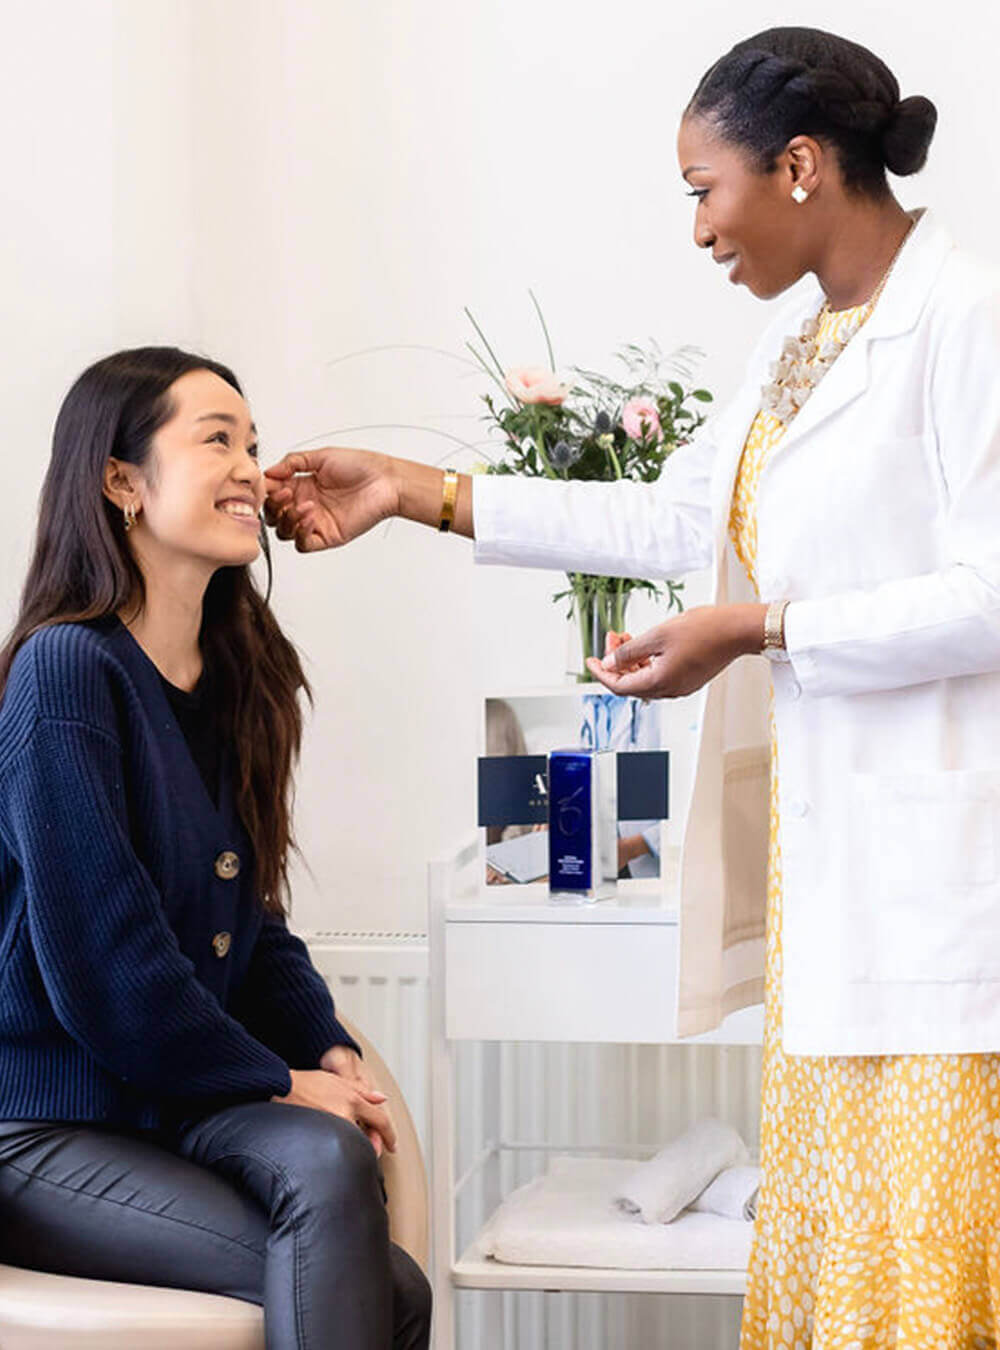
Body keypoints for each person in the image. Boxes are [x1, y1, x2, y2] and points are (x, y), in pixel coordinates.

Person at [263, 26, 1000, 1347]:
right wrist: (420, 494)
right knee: (846, 1264)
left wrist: (760, 627)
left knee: (924, 1265)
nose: (700, 228)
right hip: (842, 897)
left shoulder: (964, 318)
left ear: (799, 166)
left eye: (702, 189)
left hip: (942, 898)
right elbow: (671, 521)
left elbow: (991, 595)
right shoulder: (808, 347)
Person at [0, 348, 431, 1349]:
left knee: (342, 1191)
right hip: (45, 1129)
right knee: (379, 1275)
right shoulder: (67, 672)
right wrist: (285, 1083)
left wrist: (322, 1041)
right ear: (121, 480)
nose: (249, 467)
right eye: (216, 440)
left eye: (253, 443)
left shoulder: (239, 675)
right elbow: (111, 976)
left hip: (171, 1104)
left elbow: (257, 923)